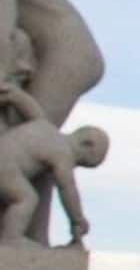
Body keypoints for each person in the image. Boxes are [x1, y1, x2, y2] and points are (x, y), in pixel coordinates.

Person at [0, 82, 103, 247]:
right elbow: (67, 189)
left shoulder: (45, 125)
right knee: (27, 198)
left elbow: (27, 105)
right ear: (87, 144)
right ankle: (11, 238)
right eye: (82, 163)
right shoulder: (63, 154)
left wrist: (13, 95)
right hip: (6, 168)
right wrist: (77, 219)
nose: (74, 166)